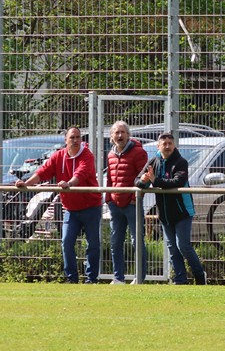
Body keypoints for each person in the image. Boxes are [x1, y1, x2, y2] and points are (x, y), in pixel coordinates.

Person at [15, 127, 102, 284]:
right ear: (65, 140)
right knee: (66, 242)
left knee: (93, 244)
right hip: (71, 209)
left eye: (78, 137)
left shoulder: (87, 155)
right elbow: (43, 172)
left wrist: (69, 184)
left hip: (91, 207)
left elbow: (81, 174)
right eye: (72, 137)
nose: (75, 140)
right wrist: (26, 183)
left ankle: (91, 279)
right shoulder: (58, 156)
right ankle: (72, 279)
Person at [136, 132, 206, 285]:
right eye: (164, 144)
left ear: (174, 145)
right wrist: (143, 180)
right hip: (165, 214)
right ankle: (180, 281)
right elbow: (138, 182)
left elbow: (177, 181)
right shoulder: (153, 162)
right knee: (172, 248)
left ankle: (200, 276)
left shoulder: (181, 162)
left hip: (182, 212)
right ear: (158, 146)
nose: (167, 146)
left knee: (183, 246)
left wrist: (155, 180)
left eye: (170, 143)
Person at [105, 120, 149, 284]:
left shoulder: (139, 153)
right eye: (116, 132)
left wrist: (134, 198)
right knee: (115, 241)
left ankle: (139, 277)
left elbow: (144, 179)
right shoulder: (110, 155)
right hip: (115, 205)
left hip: (132, 205)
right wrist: (108, 199)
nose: (120, 135)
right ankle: (118, 277)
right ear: (112, 136)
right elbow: (110, 179)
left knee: (136, 241)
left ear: (128, 135)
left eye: (122, 132)